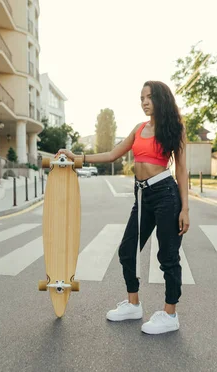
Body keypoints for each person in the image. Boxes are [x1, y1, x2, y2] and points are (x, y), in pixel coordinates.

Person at [56, 80, 190, 335]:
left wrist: (185, 209)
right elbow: (112, 154)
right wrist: (78, 159)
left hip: (166, 195)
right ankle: (133, 304)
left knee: (168, 256)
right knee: (127, 251)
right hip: (142, 196)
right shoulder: (139, 129)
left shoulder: (174, 129)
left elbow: (181, 170)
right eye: (141, 98)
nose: (144, 102)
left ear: (161, 99)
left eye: (149, 97)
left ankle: (170, 314)